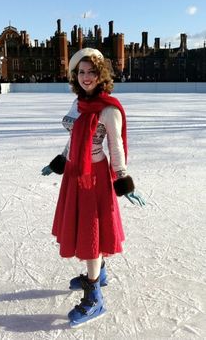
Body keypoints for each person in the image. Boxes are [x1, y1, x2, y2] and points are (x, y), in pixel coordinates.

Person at [41, 48, 145, 327]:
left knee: (91, 234)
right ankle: (101, 271)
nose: (86, 77)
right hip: (74, 173)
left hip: (94, 178)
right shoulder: (79, 104)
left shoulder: (108, 109)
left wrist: (123, 180)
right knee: (83, 230)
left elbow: (116, 146)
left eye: (92, 72)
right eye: (81, 72)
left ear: (102, 75)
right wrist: (59, 162)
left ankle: (95, 297)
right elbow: (75, 137)